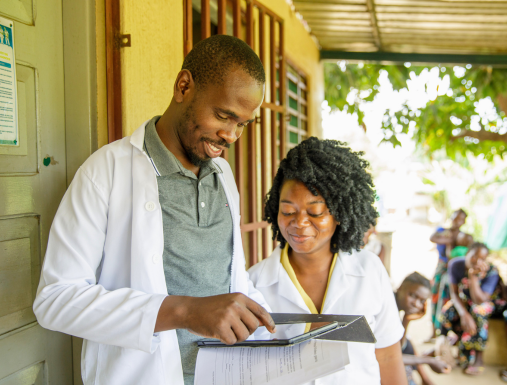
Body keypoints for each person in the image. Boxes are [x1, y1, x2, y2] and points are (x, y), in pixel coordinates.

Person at [33, 35, 276, 385]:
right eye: (224, 116)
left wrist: (267, 325)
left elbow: (228, 275)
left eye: (242, 124)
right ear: (183, 86)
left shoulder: (223, 175)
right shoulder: (106, 171)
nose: (232, 135)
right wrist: (185, 312)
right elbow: (55, 300)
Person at [249, 138, 407, 385]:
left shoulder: (369, 270)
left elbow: (387, 356)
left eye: (315, 212)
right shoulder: (255, 283)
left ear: (339, 213)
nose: (299, 223)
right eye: (288, 211)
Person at [439, 242, 500, 375]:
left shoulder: (491, 272)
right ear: (467, 254)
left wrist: (473, 276)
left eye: (482, 259)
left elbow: (480, 300)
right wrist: (463, 314)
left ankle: (479, 358)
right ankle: (446, 346)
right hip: (466, 301)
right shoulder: (455, 264)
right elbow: (454, 293)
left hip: (485, 303)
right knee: (447, 310)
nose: (477, 261)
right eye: (474, 257)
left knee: (478, 311)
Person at [395, 272, 451, 385]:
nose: (416, 304)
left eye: (422, 301)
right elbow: (392, 355)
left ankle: (425, 380)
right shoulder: (387, 311)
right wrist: (429, 361)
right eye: (413, 295)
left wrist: (407, 320)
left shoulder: (397, 308)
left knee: (408, 344)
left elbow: (397, 347)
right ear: (400, 288)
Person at [428, 209, 469, 337]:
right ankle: (433, 332)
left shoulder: (465, 237)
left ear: (464, 222)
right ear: (451, 217)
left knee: (448, 300)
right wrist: (449, 240)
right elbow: (432, 238)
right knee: (435, 298)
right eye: (455, 217)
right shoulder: (442, 231)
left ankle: (445, 334)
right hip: (441, 269)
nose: (457, 221)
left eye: (460, 219)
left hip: (454, 273)